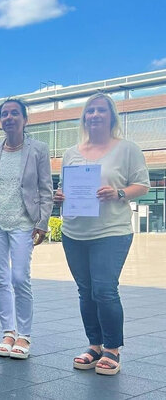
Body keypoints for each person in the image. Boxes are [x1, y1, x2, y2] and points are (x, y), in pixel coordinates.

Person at [54, 93, 149, 376]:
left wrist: (118, 193)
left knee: (104, 290)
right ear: (84, 117)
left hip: (111, 231)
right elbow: (66, 188)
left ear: (111, 117)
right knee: (86, 292)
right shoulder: (71, 152)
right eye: (90, 111)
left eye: (100, 110)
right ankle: (94, 346)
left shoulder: (127, 149)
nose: (94, 115)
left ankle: (112, 349)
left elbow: (142, 185)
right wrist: (60, 196)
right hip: (74, 232)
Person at [0, 98, 53, 359]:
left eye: (14, 113)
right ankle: (8, 332)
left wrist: (42, 223)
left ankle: (24, 335)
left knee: (20, 277)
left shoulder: (38, 149)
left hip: (23, 222)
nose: (9, 118)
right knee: (0, 278)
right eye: (4, 114)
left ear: (25, 119)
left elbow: (46, 189)